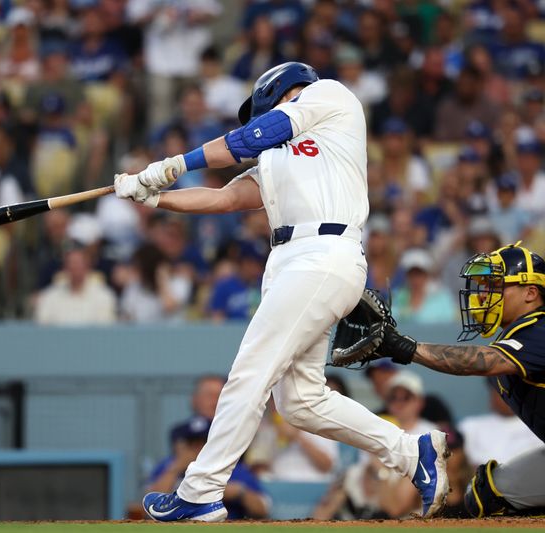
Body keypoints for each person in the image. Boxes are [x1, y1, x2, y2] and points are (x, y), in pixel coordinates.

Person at [114, 61, 449, 522]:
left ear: (279, 91)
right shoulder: (277, 159)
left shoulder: (330, 99)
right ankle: (412, 453)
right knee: (301, 403)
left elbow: (253, 136)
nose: (255, 119)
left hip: (324, 252)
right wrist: (152, 196)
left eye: (260, 109)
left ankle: (200, 490)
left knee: (250, 372)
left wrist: (175, 164)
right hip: (290, 261)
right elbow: (225, 198)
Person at [360, 243, 545, 517]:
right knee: (486, 494)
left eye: (495, 285)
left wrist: (406, 347)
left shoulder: (539, 329)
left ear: (531, 292)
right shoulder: (522, 333)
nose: (484, 295)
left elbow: (478, 361)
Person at [146, 416, 270, 520]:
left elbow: (263, 509)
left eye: (204, 443)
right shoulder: (169, 466)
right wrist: (174, 470)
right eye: (193, 444)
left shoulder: (231, 466)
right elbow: (148, 508)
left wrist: (239, 492)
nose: (198, 449)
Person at [33, 244, 117, 326]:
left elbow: (105, 332)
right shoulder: (49, 297)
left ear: (88, 266)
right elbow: (41, 329)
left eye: (79, 263)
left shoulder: (104, 297)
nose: (75, 267)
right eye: (71, 263)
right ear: (65, 267)